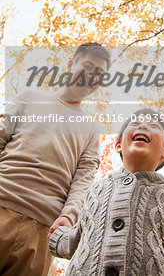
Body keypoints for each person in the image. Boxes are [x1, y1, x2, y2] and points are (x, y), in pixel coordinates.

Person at [49, 108, 164, 276]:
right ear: (118, 145)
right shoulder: (95, 191)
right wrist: (57, 237)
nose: (143, 125)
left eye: (154, 126)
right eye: (134, 123)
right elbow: (77, 239)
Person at [0, 42, 111, 276]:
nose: (91, 76)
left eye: (99, 74)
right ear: (71, 65)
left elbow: (83, 181)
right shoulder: (29, 97)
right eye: (87, 66)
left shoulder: (91, 129)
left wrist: (69, 216)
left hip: (43, 230)